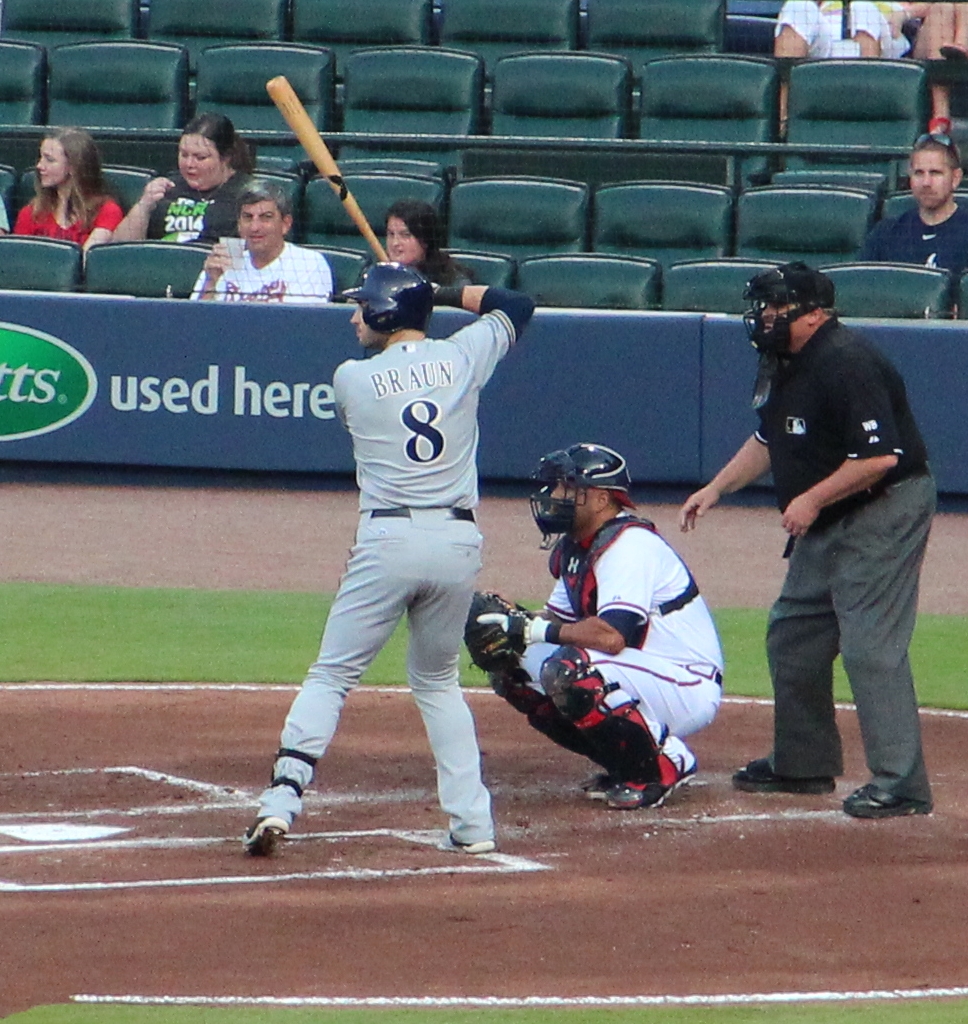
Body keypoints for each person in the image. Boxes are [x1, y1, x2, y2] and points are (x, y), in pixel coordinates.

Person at [242, 263, 535, 857]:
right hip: (457, 544)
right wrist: (441, 291)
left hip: (388, 541)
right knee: (438, 683)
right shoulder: (463, 355)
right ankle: (473, 827)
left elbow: (394, 370)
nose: (354, 317)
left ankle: (281, 800)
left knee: (331, 674)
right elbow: (516, 303)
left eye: (363, 306)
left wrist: (421, 295)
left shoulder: (351, 379)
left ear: (384, 313)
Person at [679, 262, 935, 819]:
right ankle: (803, 763)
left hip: (884, 506)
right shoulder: (783, 362)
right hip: (829, 513)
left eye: (776, 307)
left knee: (870, 645)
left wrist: (812, 498)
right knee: (794, 633)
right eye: (763, 306)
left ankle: (902, 783)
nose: (764, 317)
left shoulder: (848, 361)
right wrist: (717, 487)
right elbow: (768, 438)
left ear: (814, 314)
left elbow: (879, 458)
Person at [463, 443, 723, 811]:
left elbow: (611, 636)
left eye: (567, 488)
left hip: (684, 682)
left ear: (601, 499)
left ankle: (667, 763)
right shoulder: (579, 548)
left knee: (571, 670)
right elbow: (560, 622)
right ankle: (626, 763)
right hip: (637, 671)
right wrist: (516, 620)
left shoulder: (630, 547)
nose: (554, 496)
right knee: (513, 666)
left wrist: (534, 631)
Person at [111, 112, 252, 245]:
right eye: (184, 155)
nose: (189, 164)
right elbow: (119, 249)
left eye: (200, 157)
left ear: (225, 157)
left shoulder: (247, 193)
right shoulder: (166, 188)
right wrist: (144, 205)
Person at [191, 182, 333, 303]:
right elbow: (194, 326)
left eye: (266, 217)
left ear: (286, 224)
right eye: (247, 217)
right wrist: (211, 282)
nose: (254, 227)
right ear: (239, 224)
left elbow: (302, 327)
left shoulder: (308, 263)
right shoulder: (225, 259)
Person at [859, 131, 968, 275]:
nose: (926, 182)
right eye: (919, 173)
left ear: (955, 178)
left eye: (935, 173)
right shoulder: (885, 233)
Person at [12, 128, 123, 250]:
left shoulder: (106, 211)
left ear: (74, 166)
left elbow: (85, 260)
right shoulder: (31, 213)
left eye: (49, 160)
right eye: (40, 157)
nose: (39, 166)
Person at [384, 199, 472, 286]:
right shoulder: (380, 275)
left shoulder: (454, 281)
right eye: (391, 234)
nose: (395, 243)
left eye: (405, 235)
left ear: (425, 240)